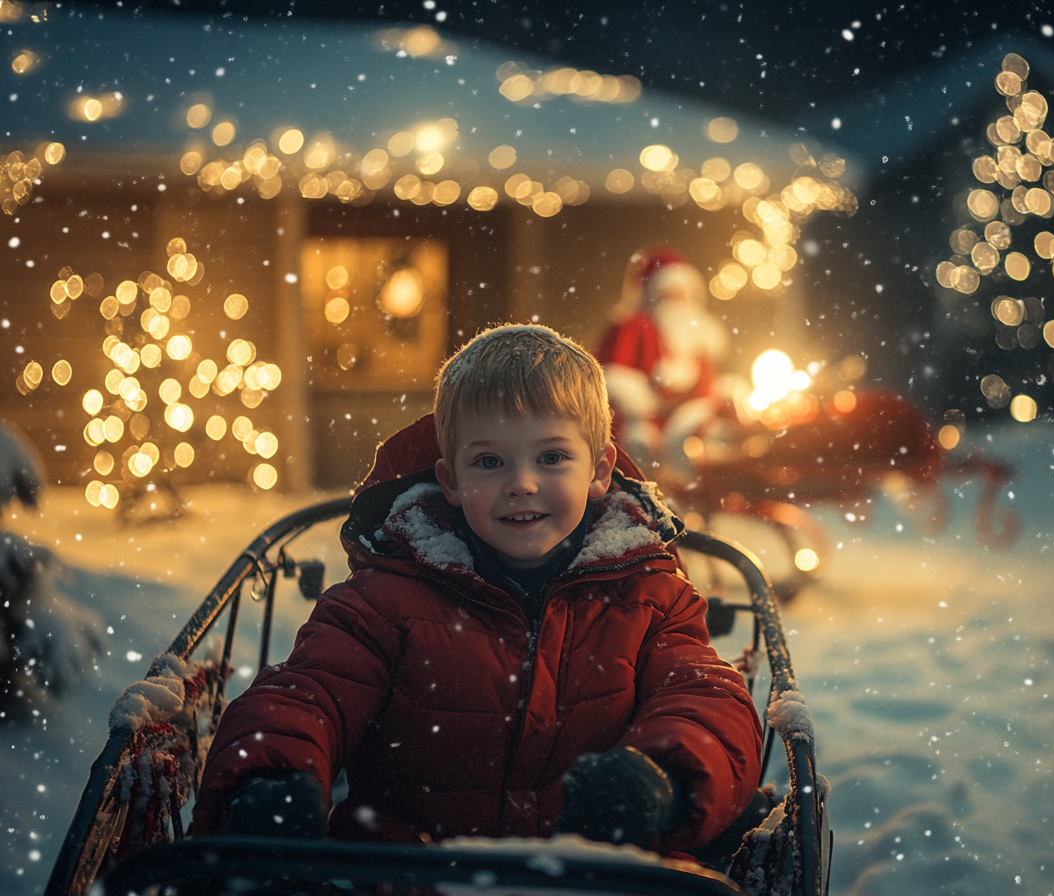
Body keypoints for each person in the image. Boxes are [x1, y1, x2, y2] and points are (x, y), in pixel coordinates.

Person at [190, 324, 763, 856]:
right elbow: (309, 691)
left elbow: (702, 696)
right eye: (489, 461)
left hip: (592, 871)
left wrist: (656, 774)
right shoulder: (388, 597)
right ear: (450, 482)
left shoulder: (648, 596)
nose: (522, 483)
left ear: (600, 469)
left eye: (553, 457)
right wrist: (271, 775)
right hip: (410, 875)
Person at [596, 247, 731, 471]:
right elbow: (609, 374)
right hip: (641, 420)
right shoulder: (632, 327)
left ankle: (696, 493)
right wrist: (638, 407)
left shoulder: (696, 335)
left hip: (685, 424)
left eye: (685, 293)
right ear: (653, 294)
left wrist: (700, 410)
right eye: (670, 294)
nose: (679, 301)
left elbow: (707, 385)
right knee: (637, 450)